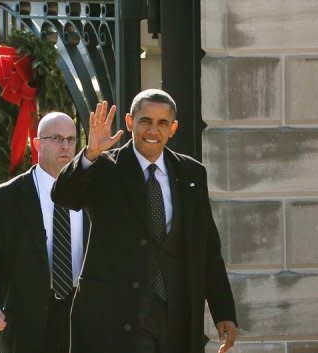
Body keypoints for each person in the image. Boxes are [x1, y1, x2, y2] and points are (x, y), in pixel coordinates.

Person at [51, 89, 238, 353]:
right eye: (145, 121)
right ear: (130, 123)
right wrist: (90, 154)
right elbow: (64, 196)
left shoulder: (191, 173)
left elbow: (207, 247)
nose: (153, 130)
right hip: (116, 315)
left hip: (175, 316)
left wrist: (223, 311)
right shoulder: (104, 168)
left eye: (162, 123)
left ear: (173, 128)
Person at [0, 112, 87, 353]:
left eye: (71, 139)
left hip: (82, 320)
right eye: (56, 138)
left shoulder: (91, 194)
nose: (65, 145)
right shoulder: (5, 198)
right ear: (36, 143)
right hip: (26, 325)